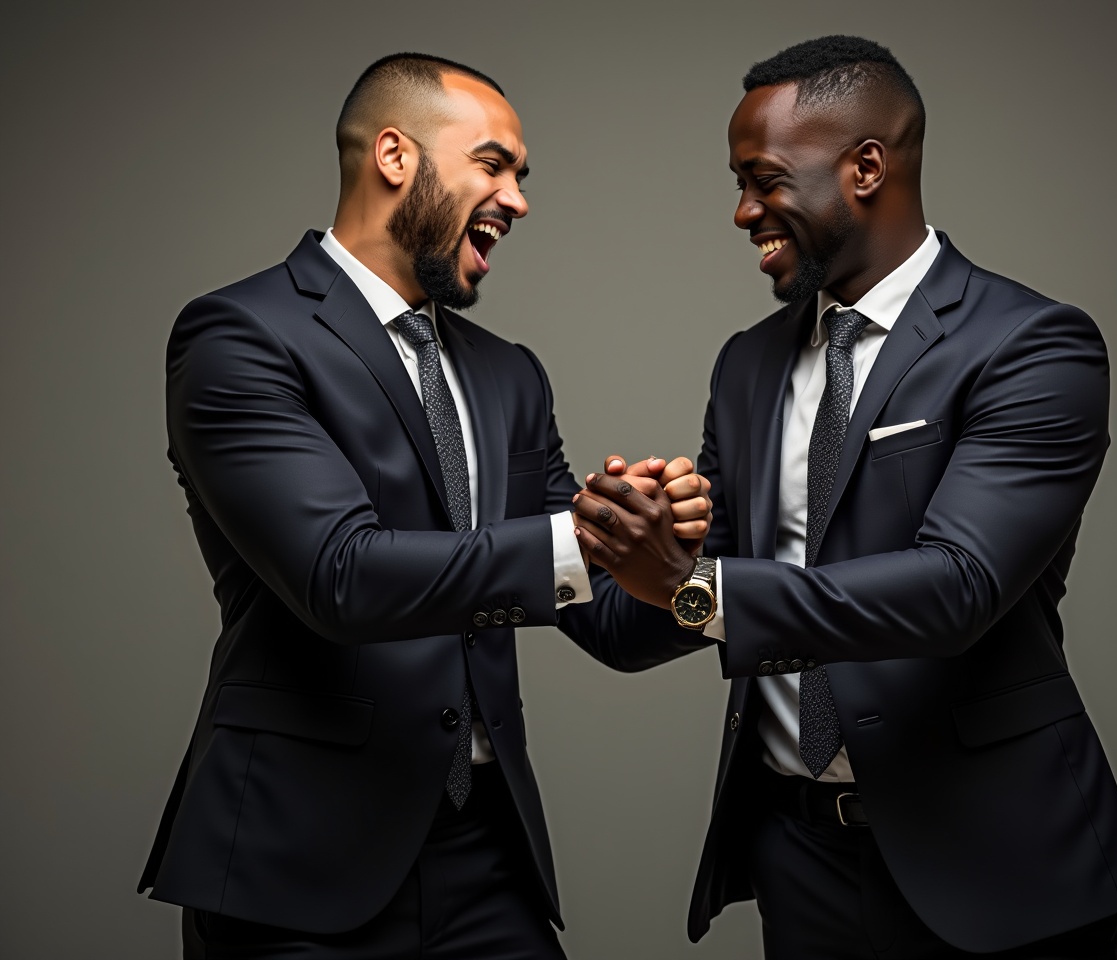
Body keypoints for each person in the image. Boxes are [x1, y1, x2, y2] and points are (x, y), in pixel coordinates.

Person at [573, 35, 1117, 959]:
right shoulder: (749, 364)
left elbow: (955, 588)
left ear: (867, 167)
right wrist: (603, 540)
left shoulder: (1032, 347)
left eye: (763, 179)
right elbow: (659, 611)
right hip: (797, 861)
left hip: (997, 861)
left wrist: (699, 583)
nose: (741, 211)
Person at [137, 52, 710, 959]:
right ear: (396, 156)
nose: (518, 200)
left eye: (521, 176)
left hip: (489, 860)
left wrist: (674, 564)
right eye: (494, 164)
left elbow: (602, 618)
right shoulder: (239, 337)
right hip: (295, 867)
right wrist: (585, 541)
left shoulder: (508, 374)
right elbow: (341, 577)